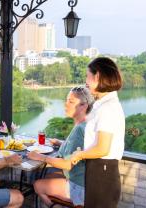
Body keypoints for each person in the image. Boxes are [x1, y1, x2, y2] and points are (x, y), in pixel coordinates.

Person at [71, 57, 125, 208]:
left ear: (97, 76)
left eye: (87, 76)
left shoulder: (107, 108)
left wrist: (79, 154)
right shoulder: (103, 104)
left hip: (102, 171)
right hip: (99, 169)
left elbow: (102, 148)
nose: (86, 81)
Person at [27, 86, 94, 207]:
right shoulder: (86, 124)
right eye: (66, 100)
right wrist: (59, 142)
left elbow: (67, 164)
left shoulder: (79, 129)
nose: (66, 104)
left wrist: (39, 157)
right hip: (87, 181)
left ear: (84, 106)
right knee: (47, 175)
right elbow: (77, 148)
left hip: (79, 187)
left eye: (71, 101)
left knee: (37, 185)